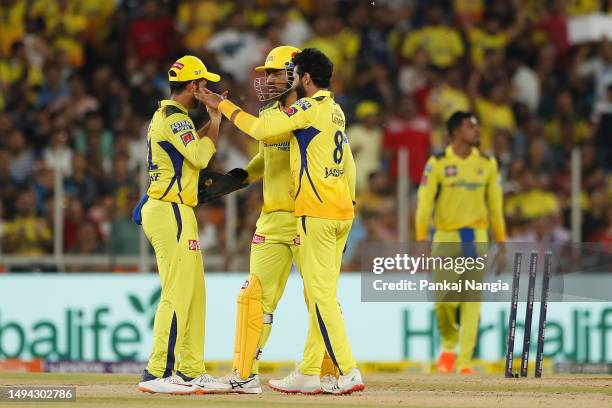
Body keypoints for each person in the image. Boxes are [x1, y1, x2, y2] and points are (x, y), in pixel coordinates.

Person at [196, 48, 364, 395]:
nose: (268, 79)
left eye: (275, 72)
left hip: (310, 216)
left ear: (297, 76)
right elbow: (265, 156)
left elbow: (346, 162)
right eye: (266, 73)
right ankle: (244, 374)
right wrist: (239, 177)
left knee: (318, 298)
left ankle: (323, 371)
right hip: (275, 219)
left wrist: (347, 206)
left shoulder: (306, 111)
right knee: (256, 296)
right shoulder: (280, 113)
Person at [132, 55, 231, 394]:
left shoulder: (175, 118)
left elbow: (188, 147)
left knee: (193, 291)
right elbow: (201, 157)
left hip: (175, 210)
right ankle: (159, 372)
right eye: (204, 84)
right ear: (192, 86)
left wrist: (209, 122)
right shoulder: (175, 118)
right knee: (177, 292)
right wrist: (216, 117)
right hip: (170, 210)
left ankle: (189, 369)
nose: (208, 89)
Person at [415, 111, 506, 374]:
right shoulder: (438, 162)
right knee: (444, 298)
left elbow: (496, 207)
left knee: (471, 298)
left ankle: (464, 360)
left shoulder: (488, 163)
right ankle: (448, 345)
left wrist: (501, 243)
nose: (476, 130)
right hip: (445, 235)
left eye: (477, 126)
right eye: (470, 126)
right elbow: (424, 203)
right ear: (455, 132)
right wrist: (421, 238)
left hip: (475, 236)